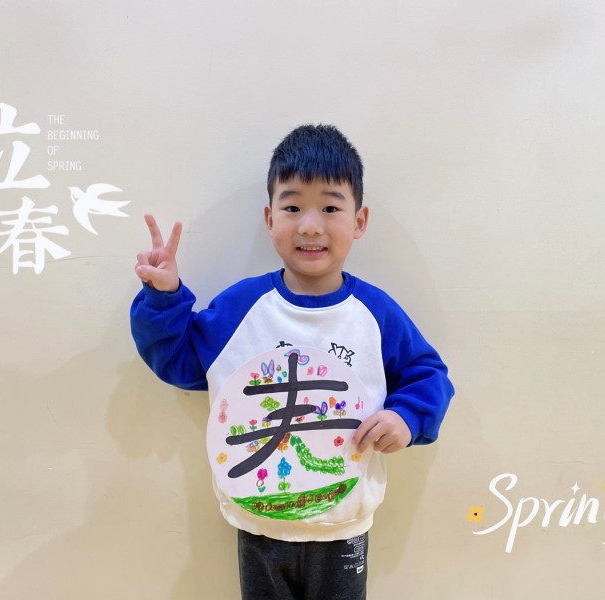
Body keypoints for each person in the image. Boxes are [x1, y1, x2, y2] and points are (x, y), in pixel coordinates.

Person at [130, 124, 454, 600]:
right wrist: (164, 298)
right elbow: (179, 360)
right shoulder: (241, 308)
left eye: (330, 207)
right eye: (292, 207)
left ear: (359, 220)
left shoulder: (375, 314)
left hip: (343, 526)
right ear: (270, 217)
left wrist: (407, 418)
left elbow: (429, 375)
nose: (310, 226)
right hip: (258, 523)